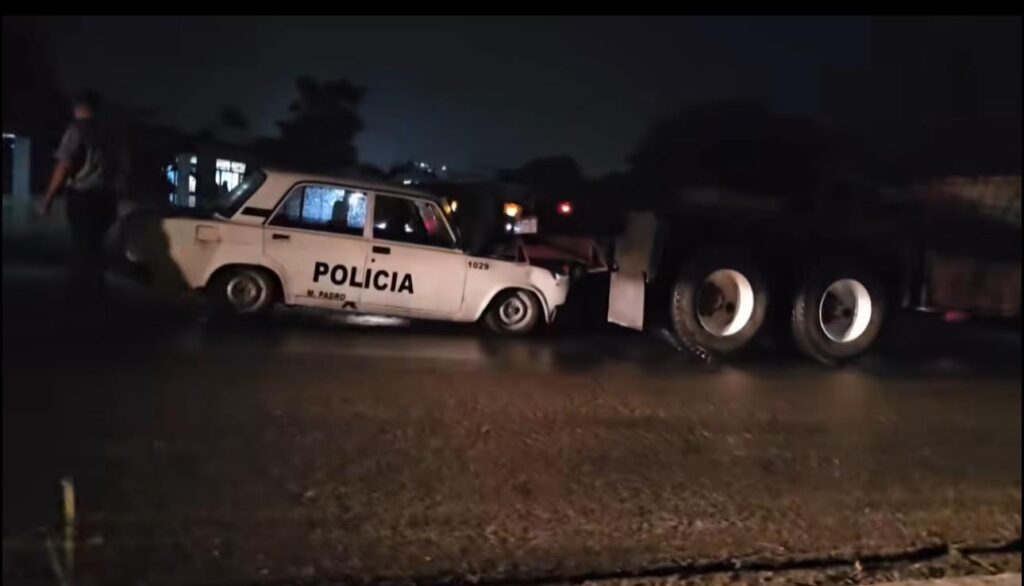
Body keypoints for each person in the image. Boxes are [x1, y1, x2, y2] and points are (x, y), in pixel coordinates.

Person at [37, 90, 121, 313]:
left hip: (83, 196)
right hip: (106, 197)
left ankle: (80, 298)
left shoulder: (77, 131)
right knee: (95, 246)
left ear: (79, 107)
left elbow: (64, 165)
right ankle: (97, 294)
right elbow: (121, 169)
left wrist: (48, 198)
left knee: (83, 247)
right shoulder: (110, 134)